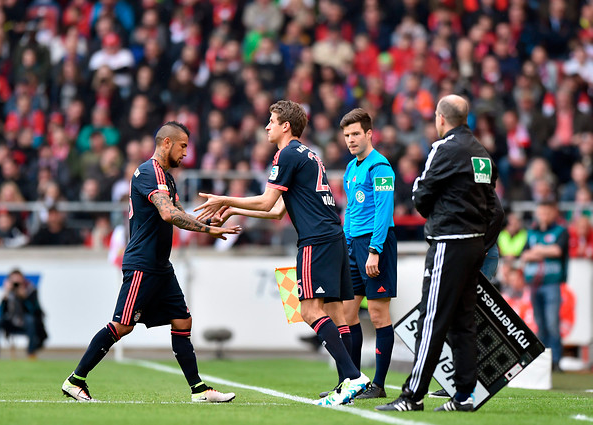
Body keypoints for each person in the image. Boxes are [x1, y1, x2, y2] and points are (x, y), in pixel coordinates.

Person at [195, 100, 369, 406]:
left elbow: (266, 202)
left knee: (308, 311)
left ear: (285, 126)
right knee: (336, 313)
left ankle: (353, 377)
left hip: (315, 240)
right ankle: (347, 384)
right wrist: (232, 207)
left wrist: (224, 198)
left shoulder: (286, 154)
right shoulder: (308, 154)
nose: (266, 126)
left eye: (271, 121)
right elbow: (277, 211)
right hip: (333, 236)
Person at [61, 122, 241, 403]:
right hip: (142, 264)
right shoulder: (148, 172)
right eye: (183, 146)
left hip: (160, 265)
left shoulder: (165, 177)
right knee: (122, 325)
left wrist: (207, 221)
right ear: (166, 143)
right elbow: (169, 215)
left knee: (183, 320)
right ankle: (75, 380)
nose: (186, 153)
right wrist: (209, 231)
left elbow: (180, 212)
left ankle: (199, 390)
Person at [376, 95, 502, 412]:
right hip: (475, 245)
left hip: (449, 241)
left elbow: (420, 195)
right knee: (464, 321)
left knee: (431, 318)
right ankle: (464, 396)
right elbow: (493, 207)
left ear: (441, 118)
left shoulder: (444, 149)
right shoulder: (482, 154)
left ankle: (412, 395)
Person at [337, 108, 397, 399]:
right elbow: (351, 210)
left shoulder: (381, 167)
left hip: (375, 246)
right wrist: (344, 242)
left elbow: (384, 213)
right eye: (347, 135)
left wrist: (374, 250)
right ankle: (353, 380)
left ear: (369, 134)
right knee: (347, 313)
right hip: (352, 246)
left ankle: (379, 384)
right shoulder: (351, 168)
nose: (350, 139)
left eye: (356, 134)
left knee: (377, 313)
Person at [520, 200, 568, 372]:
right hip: (534, 283)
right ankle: (542, 361)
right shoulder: (531, 232)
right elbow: (524, 255)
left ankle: (555, 360)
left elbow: (557, 251)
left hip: (552, 283)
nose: (543, 216)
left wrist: (537, 250)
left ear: (553, 213)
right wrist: (543, 250)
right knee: (540, 323)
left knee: (552, 322)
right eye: (540, 212)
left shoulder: (560, 231)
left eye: (547, 212)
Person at [0, 269, 47, 359]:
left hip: (25, 321)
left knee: (30, 320)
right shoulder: (8, 292)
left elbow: (35, 310)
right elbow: (1, 311)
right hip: (11, 321)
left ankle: (31, 352)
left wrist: (24, 297)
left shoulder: (30, 289)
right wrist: (6, 294)